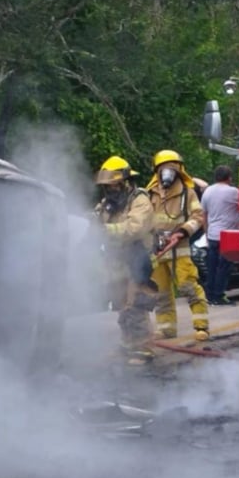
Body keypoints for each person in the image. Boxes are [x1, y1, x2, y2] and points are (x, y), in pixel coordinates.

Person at [93, 155, 158, 365]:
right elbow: (95, 219)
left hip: (136, 259)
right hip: (116, 261)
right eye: (107, 188)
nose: (110, 192)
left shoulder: (140, 200)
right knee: (122, 304)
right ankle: (128, 343)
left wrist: (103, 230)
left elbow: (134, 228)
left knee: (136, 304)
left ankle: (143, 348)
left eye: (113, 187)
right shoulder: (108, 204)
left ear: (125, 183)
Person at [146, 149, 210, 342]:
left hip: (179, 250)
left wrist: (183, 231)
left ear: (179, 170)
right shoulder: (150, 193)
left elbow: (198, 217)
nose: (167, 172)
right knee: (161, 292)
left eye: (171, 168)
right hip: (157, 250)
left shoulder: (187, 193)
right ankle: (166, 329)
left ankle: (202, 327)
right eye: (163, 168)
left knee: (188, 286)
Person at [200, 165, 239, 306]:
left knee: (212, 267)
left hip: (212, 235)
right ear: (229, 178)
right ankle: (219, 296)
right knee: (224, 267)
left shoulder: (207, 191)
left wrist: (206, 233)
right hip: (227, 236)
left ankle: (209, 296)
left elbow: (204, 215)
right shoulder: (233, 192)